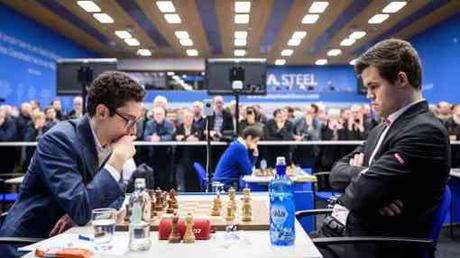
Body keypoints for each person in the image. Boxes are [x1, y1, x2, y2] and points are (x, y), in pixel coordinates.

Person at [313, 39, 450, 258]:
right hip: (343, 233)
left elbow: (360, 194)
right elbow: (336, 173)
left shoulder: (425, 131)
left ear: (401, 79)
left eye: (373, 86)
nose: (368, 95)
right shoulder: (381, 128)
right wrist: (368, 176)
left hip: (375, 245)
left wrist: (369, 183)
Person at [0, 71, 145, 256]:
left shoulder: (109, 141)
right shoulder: (59, 140)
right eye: (129, 120)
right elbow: (84, 209)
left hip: (71, 240)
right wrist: (116, 161)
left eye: (136, 122)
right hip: (31, 244)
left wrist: (78, 212)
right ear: (102, 112)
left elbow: (114, 199)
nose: (132, 131)